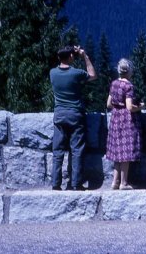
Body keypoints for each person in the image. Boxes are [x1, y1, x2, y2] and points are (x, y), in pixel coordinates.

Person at [49, 45, 97, 191]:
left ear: (58, 57)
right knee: (77, 149)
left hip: (59, 114)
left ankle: (55, 183)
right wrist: (84, 56)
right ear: (71, 57)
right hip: (75, 114)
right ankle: (76, 183)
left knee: (57, 150)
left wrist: (72, 52)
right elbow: (93, 75)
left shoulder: (52, 73)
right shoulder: (76, 73)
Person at [106, 58, 144, 190]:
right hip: (126, 120)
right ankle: (123, 183)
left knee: (117, 152)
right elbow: (129, 107)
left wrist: (118, 105)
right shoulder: (128, 86)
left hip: (115, 118)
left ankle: (114, 182)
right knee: (125, 153)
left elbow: (108, 104)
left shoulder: (114, 84)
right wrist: (140, 107)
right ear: (129, 71)